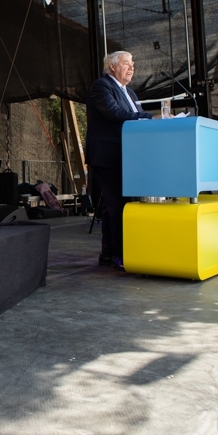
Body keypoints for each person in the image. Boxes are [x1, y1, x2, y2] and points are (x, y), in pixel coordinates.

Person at [85, 51, 152, 270]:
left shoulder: (130, 93)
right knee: (118, 204)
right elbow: (114, 113)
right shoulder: (102, 86)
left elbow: (135, 116)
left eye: (133, 64)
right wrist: (148, 117)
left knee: (111, 206)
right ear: (112, 66)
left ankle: (109, 253)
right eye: (126, 63)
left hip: (128, 155)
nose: (131, 68)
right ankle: (120, 255)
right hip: (108, 155)